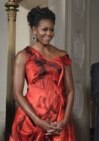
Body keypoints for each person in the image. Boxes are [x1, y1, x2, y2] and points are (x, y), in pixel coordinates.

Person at [9, 7, 75, 141]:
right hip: (31, 120)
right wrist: (37, 121)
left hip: (58, 121)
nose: (49, 33)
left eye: (52, 29)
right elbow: (17, 93)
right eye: (44, 29)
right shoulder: (23, 56)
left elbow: (70, 91)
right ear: (34, 30)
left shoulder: (62, 55)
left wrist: (65, 120)